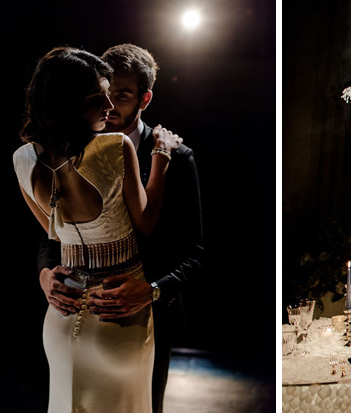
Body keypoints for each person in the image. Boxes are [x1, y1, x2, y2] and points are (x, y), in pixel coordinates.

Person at [36, 43, 204, 413]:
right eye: (103, 94)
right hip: (74, 311)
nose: (108, 106)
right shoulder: (68, 150)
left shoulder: (177, 156)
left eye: (121, 96)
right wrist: (46, 274)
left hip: (148, 318)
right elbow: (52, 232)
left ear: (144, 99)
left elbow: (194, 251)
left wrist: (152, 290)